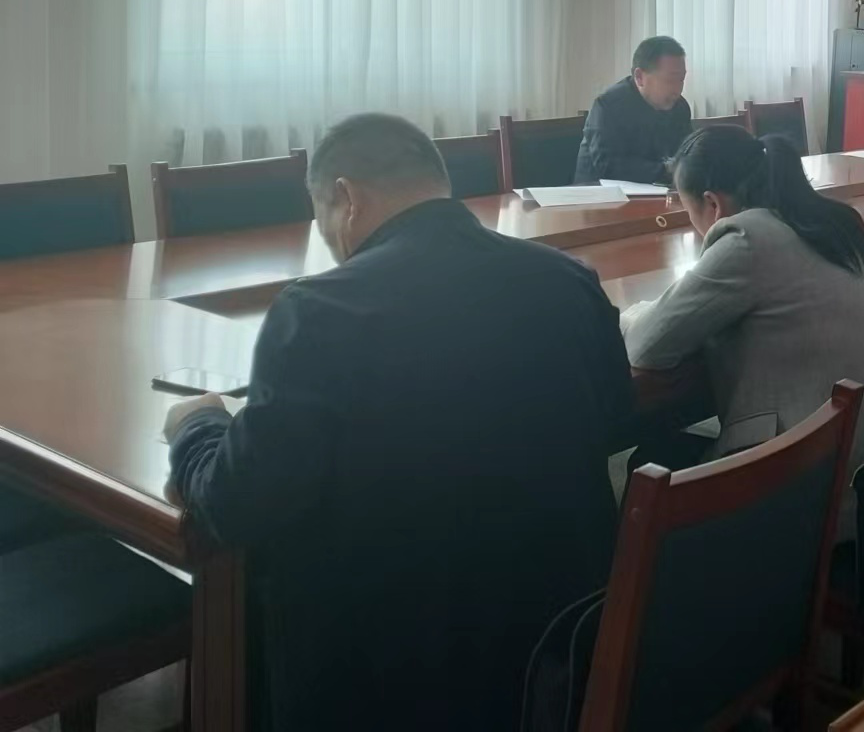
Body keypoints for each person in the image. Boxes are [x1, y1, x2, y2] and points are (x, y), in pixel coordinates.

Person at [165, 114, 633, 731]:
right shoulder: (568, 279)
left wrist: (199, 427)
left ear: (346, 198)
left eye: (321, 217)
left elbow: (235, 505)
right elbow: (618, 421)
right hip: (557, 649)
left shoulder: (317, 311)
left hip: (387, 674)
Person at [621, 126, 864, 515]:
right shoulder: (842, 225)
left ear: (712, 204)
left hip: (811, 490)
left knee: (650, 459)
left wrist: (631, 314)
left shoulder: (747, 238)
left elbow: (646, 346)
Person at [575, 36, 692, 184]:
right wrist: (668, 169)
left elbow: (687, 153)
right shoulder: (608, 106)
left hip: (658, 191)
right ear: (639, 77)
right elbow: (609, 167)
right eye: (670, 80)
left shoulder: (679, 107)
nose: (677, 89)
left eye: (681, 79)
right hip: (599, 193)